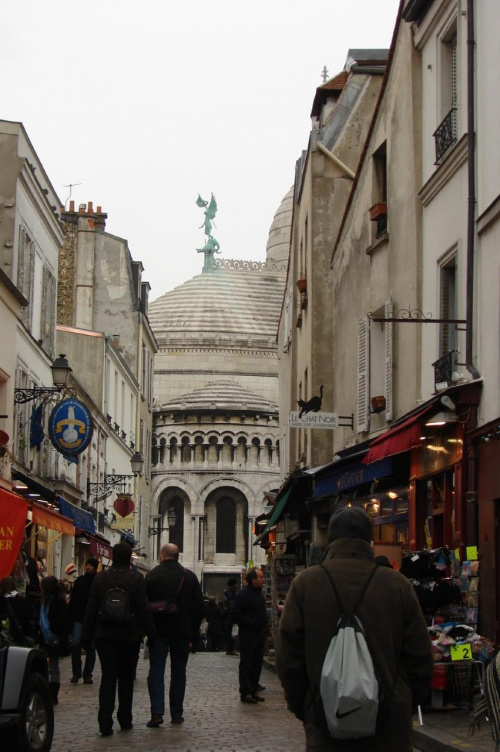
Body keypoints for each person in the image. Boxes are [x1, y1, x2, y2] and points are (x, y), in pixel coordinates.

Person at [276, 507, 434, 751]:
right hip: (389, 729)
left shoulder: (305, 585)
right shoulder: (397, 585)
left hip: (327, 722)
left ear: (330, 540)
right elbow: (420, 658)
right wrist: (400, 702)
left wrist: (310, 708)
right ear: (369, 541)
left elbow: (288, 660)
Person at [82, 542, 154, 737]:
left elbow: (91, 609)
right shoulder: (137, 579)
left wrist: (85, 636)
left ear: (113, 557)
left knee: (108, 677)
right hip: (129, 636)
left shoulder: (100, 578)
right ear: (130, 558)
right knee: (126, 679)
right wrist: (151, 634)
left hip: (104, 635)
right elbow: (143, 609)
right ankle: (125, 718)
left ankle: (104, 723)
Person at [145, 543, 204, 728]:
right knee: (179, 672)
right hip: (182, 631)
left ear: (162, 555)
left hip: (159, 631)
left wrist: (148, 630)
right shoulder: (190, 577)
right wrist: (193, 633)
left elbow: (143, 606)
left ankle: (157, 712)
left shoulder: (152, 575)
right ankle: (176, 713)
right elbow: (199, 608)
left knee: (156, 670)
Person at [233, 567, 268, 704]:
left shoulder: (259, 594)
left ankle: (253, 689)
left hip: (259, 632)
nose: (263, 579)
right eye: (260, 577)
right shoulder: (244, 594)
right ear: (253, 580)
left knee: (257, 663)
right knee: (247, 663)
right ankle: (245, 691)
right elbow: (236, 615)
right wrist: (251, 622)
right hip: (248, 633)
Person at [39, 575, 71, 705]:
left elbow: (63, 622)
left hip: (54, 638)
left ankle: (53, 695)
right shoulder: (43, 602)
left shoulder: (58, 601)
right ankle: (46, 692)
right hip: (45, 637)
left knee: (53, 666)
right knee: (47, 666)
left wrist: (63, 640)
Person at [68, 557, 98, 684]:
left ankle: (88, 674)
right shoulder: (80, 581)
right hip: (79, 618)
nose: (87, 567)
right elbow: (74, 599)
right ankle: (76, 673)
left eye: (90, 565)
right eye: (86, 565)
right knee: (76, 646)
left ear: (95, 567)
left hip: (92, 619)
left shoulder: (98, 581)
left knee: (91, 648)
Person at [0, 575, 33, 645]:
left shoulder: (2, 602)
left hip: (6, 635)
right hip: (20, 635)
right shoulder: (22, 600)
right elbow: (26, 619)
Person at [223, 577, 238, 655]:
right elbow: (232, 605)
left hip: (231, 615)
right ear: (233, 585)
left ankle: (231, 649)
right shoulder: (229, 593)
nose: (237, 585)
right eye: (235, 584)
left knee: (232, 632)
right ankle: (229, 649)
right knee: (231, 632)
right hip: (230, 615)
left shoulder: (230, 592)